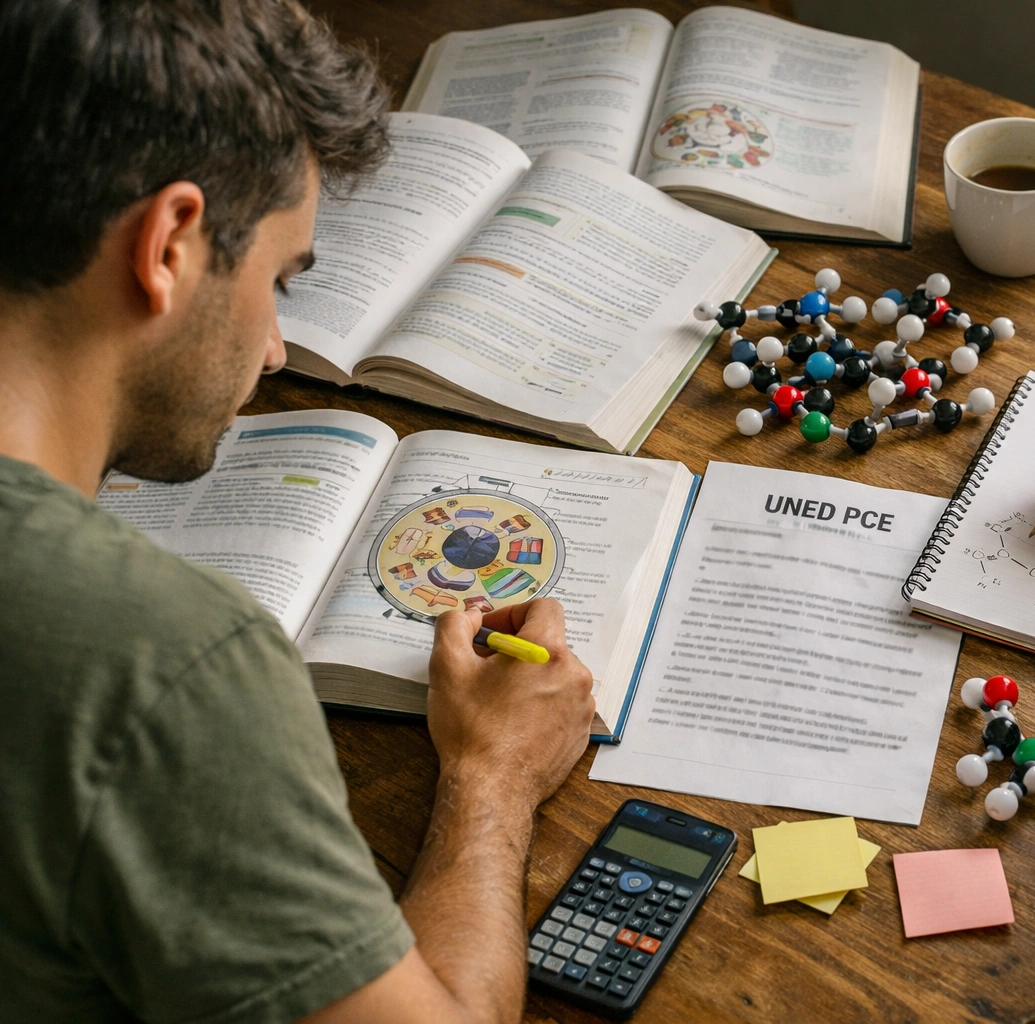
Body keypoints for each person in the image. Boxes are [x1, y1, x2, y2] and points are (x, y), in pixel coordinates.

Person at [0, 2, 596, 1022]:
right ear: (171, 243)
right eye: (277, 277)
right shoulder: (160, 667)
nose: (275, 347)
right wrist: (493, 775)